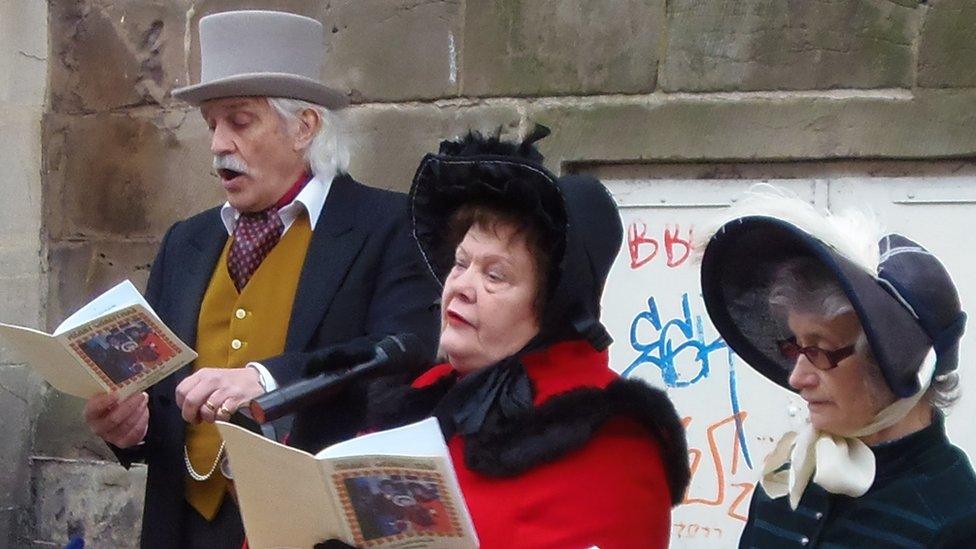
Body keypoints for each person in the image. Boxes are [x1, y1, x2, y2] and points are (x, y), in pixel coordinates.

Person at [79, 10, 439, 549]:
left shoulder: (388, 226)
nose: (218, 143)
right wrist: (128, 429)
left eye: (239, 121)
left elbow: (408, 355)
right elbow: (158, 400)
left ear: (304, 126)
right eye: (211, 125)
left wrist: (267, 378)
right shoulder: (186, 241)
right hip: (185, 527)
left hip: (312, 530)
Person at [298, 128, 690, 548]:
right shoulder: (422, 396)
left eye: (495, 275)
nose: (461, 286)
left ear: (552, 306)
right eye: (460, 263)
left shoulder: (610, 439)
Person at [697, 188, 976, 548]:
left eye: (820, 350)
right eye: (795, 347)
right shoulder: (791, 476)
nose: (797, 378)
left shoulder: (953, 517)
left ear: (895, 362)